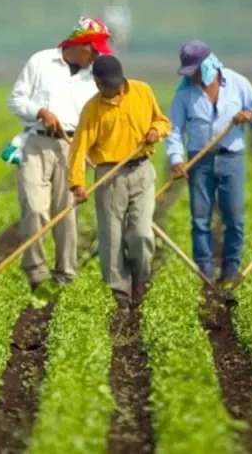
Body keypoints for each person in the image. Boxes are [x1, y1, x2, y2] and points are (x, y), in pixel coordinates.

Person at [7, 16, 112, 291]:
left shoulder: (95, 75)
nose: (98, 54)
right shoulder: (40, 61)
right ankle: (36, 273)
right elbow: (16, 99)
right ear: (79, 44)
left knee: (66, 212)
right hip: (36, 143)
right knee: (35, 208)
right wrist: (39, 112)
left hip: (73, 145)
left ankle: (65, 275)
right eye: (95, 48)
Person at [68, 55, 171, 310]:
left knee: (141, 234)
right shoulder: (92, 109)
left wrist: (156, 131)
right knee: (112, 238)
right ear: (97, 83)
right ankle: (121, 295)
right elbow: (79, 149)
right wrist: (76, 184)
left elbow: (162, 121)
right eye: (106, 86)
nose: (112, 90)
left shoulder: (142, 91)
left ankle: (139, 281)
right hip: (109, 176)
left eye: (115, 85)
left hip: (141, 171)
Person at [165, 40, 252, 287]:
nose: (194, 76)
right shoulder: (184, 93)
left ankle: (231, 270)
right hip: (200, 160)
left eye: (196, 71)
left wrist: (249, 115)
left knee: (235, 217)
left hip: (232, 157)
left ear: (209, 65)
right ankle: (205, 272)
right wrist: (176, 159)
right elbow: (174, 130)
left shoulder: (237, 83)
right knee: (200, 217)